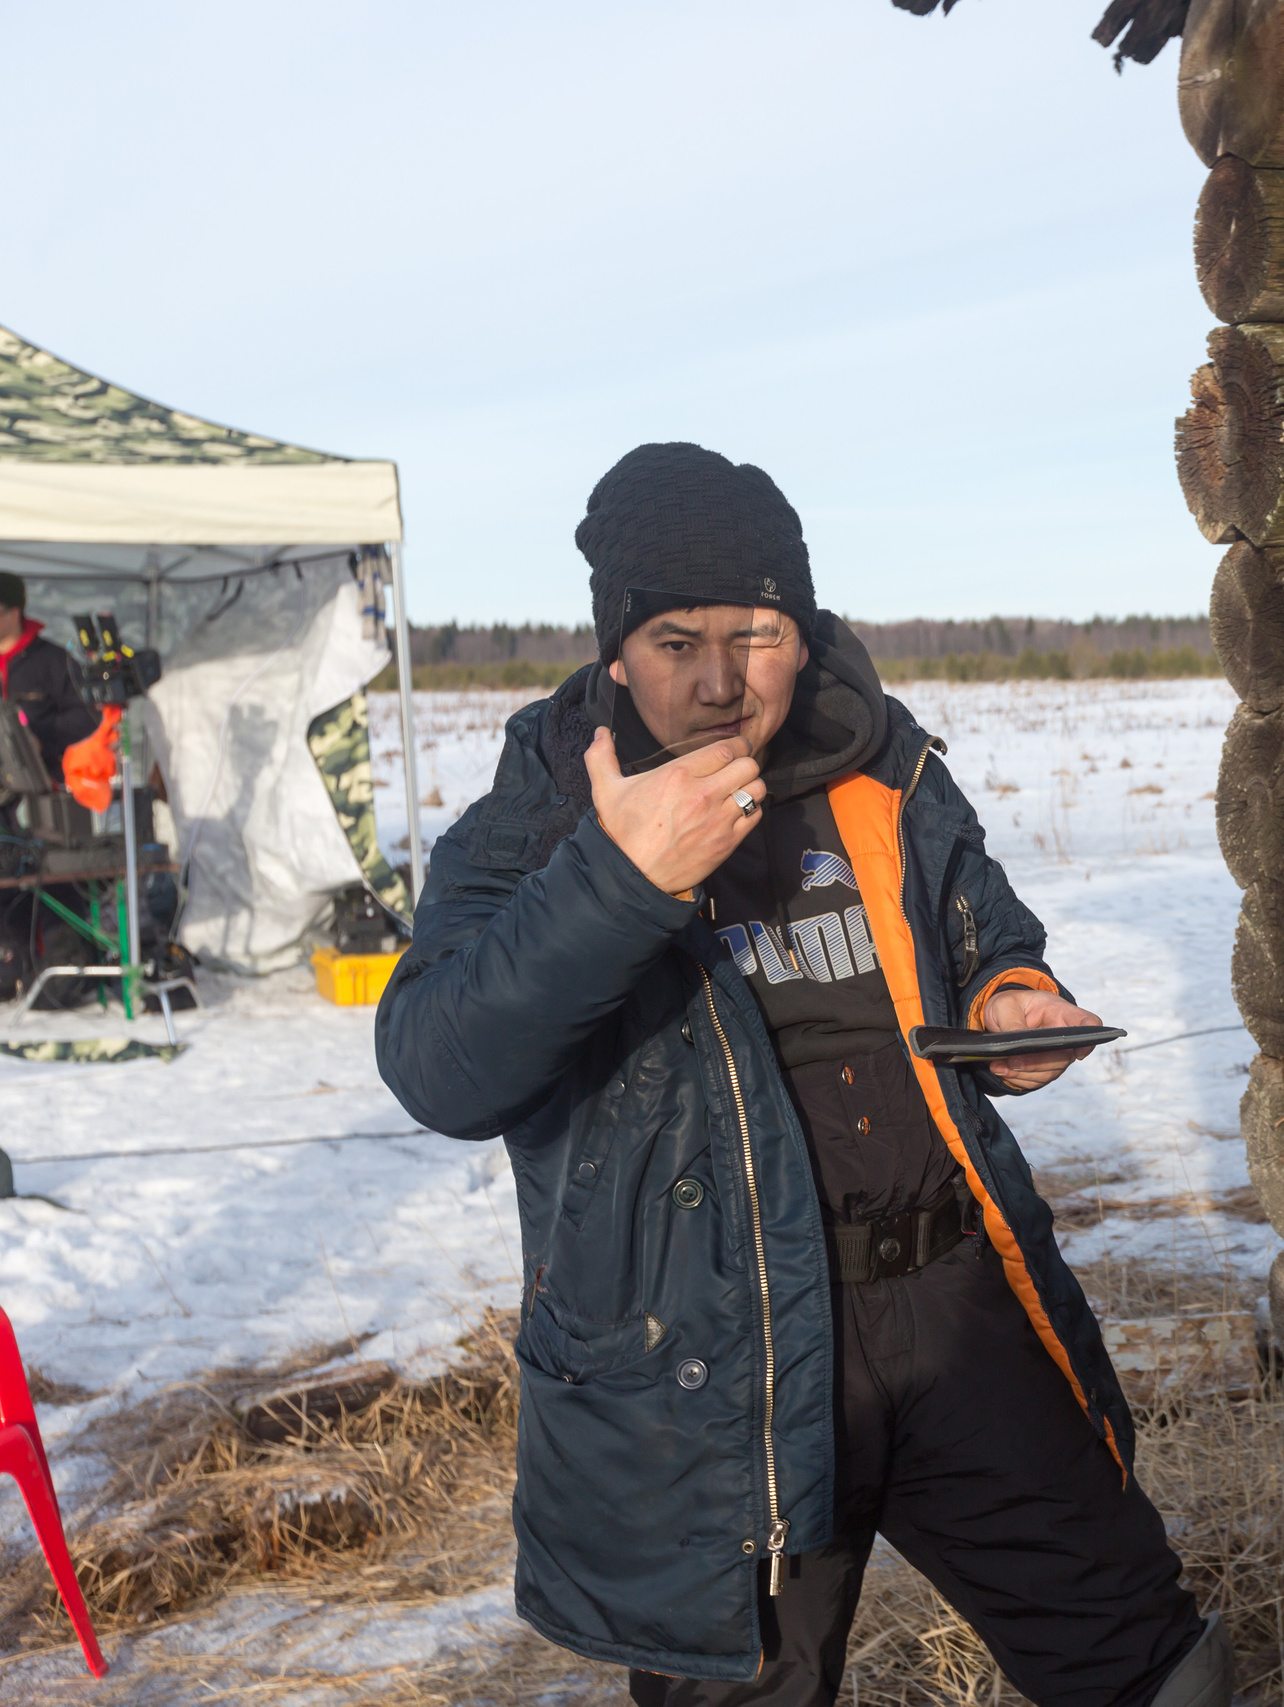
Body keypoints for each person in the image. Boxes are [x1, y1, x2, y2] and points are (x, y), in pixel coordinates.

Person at [374, 444, 1230, 1707]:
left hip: (954, 1310)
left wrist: (1011, 998)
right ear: (614, 651)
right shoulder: (546, 818)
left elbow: (978, 930)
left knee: (1153, 1668)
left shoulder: (883, 768)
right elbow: (439, 1067)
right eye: (675, 641)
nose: (720, 682)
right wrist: (618, 881)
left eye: (758, 635)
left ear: (805, 628)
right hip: (719, 1364)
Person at [0, 572, 102, 785]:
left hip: (42, 786)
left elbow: (88, 714)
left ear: (13, 613)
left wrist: (40, 739)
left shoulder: (53, 660)